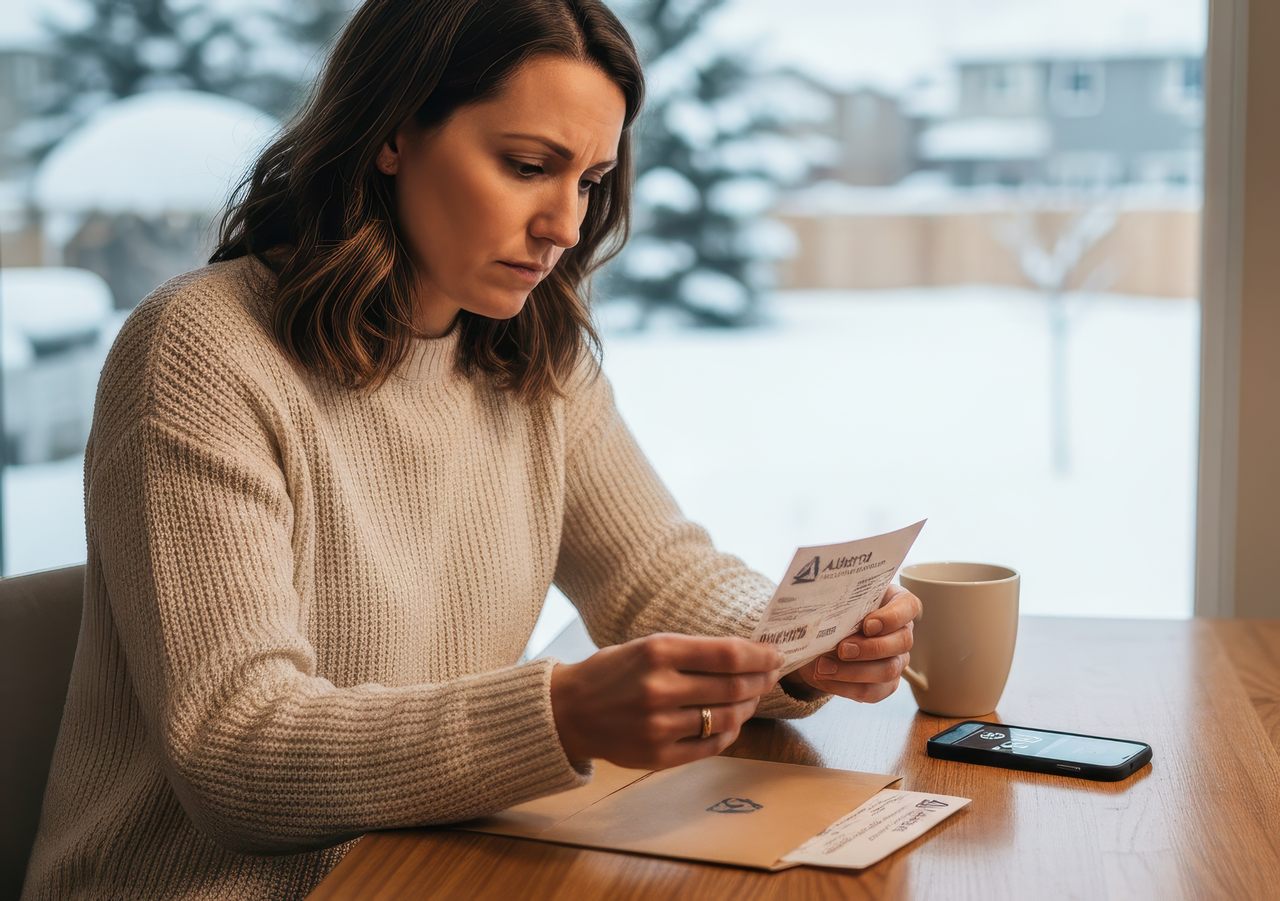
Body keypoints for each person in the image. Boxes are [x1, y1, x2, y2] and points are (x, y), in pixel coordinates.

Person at [22, 1, 920, 898]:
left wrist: (797, 643)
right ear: (392, 133)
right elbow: (237, 750)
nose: (566, 226)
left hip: (425, 867)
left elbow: (655, 578)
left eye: (589, 182)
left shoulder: (531, 355)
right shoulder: (201, 350)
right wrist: (559, 715)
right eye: (529, 166)